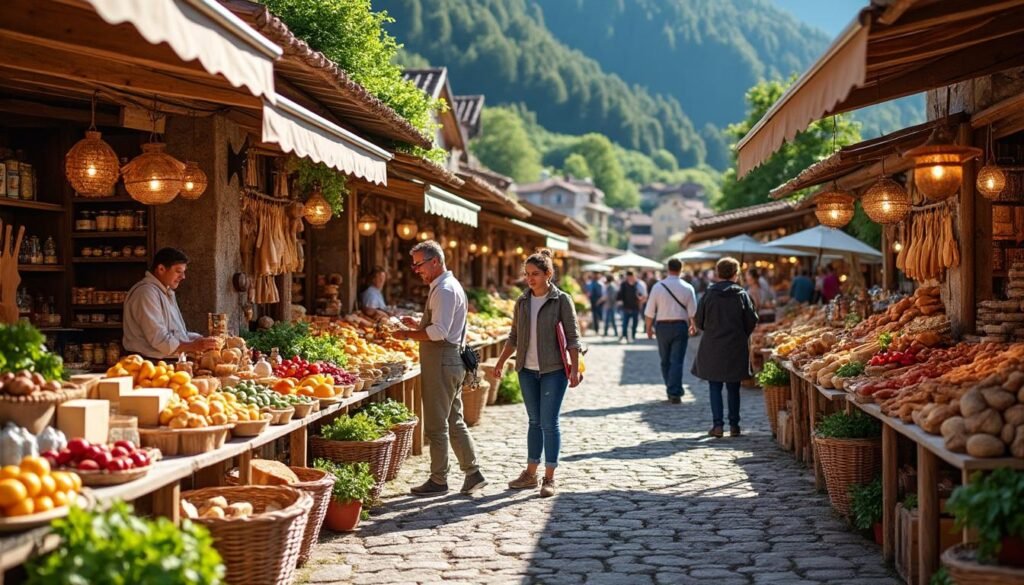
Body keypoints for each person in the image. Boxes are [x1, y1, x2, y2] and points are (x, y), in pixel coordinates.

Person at [392, 241, 486, 496]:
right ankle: (473, 473)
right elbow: (442, 324)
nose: (416, 270)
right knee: (454, 420)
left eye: (419, 264)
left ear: (435, 261)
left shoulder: (444, 289)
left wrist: (407, 334)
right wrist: (418, 323)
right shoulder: (449, 285)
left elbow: (439, 332)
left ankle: (438, 480)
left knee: (436, 425)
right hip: (450, 360)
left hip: (442, 361)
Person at [493, 250, 582, 497]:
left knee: (549, 422)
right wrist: (501, 362)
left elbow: (573, 338)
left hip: (554, 370)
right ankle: (530, 474)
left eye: (535, 274)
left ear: (548, 274)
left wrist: (574, 369)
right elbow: (513, 336)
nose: (530, 279)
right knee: (534, 421)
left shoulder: (561, 300)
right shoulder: (522, 301)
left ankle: (549, 478)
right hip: (526, 370)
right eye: (527, 274)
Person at [692, 257, 759, 438]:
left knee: (714, 386)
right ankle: (734, 426)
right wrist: (741, 334)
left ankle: (718, 426)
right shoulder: (742, 295)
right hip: (735, 346)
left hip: (712, 345)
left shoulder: (709, 294)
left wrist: (712, 330)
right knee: (733, 386)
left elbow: (699, 320)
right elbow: (751, 320)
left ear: (717, 273)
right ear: (736, 274)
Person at [123, 247, 221, 360]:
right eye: (178, 271)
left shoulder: (165, 291)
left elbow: (178, 334)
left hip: (164, 362)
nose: (183, 277)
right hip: (148, 363)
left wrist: (199, 340)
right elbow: (160, 340)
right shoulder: (146, 293)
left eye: (183, 272)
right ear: (161, 269)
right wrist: (194, 346)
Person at [644, 259, 698, 404]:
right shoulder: (688, 287)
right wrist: (693, 325)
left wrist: (648, 328)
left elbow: (649, 311)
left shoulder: (658, 287)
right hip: (680, 326)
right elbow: (693, 312)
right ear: (681, 269)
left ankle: (672, 389)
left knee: (665, 360)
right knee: (677, 361)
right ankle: (673, 390)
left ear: (668, 269)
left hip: (662, 327)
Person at [617, 271, 644, 343]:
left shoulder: (637, 284)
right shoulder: (623, 284)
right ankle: (625, 336)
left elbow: (641, 295)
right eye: (628, 277)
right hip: (626, 307)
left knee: (635, 323)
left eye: (631, 276)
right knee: (625, 323)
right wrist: (619, 301)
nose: (629, 278)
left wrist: (640, 299)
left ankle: (633, 336)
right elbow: (620, 294)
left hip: (635, 307)